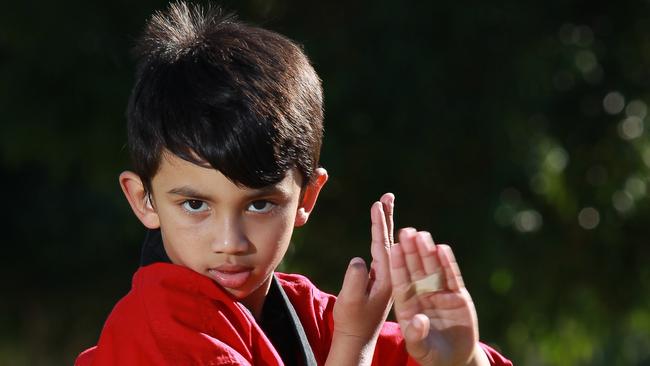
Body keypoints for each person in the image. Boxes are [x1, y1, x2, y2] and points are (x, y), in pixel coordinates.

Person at [76, 2, 512, 365]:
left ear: (306, 197)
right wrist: (353, 347)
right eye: (195, 205)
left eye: (259, 205)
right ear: (143, 198)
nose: (230, 242)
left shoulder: (310, 315)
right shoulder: (157, 329)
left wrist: (462, 358)